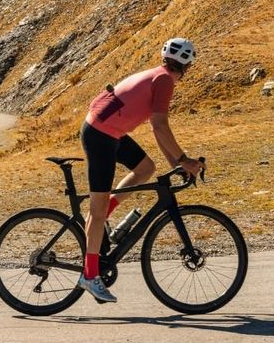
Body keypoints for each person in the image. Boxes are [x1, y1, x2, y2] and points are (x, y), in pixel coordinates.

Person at [76, 37, 205, 303]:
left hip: (108, 131)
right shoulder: (165, 81)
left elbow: (156, 128)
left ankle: (101, 220)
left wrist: (174, 163)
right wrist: (182, 159)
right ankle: (89, 275)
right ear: (187, 66)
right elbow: (159, 125)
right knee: (96, 211)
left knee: (146, 168)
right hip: (101, 135)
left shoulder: (158, 75)